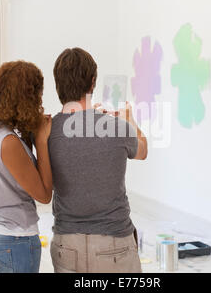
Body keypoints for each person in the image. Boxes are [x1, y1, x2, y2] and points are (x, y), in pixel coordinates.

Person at [48, 48, 148, 273]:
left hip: (66, 243)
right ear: (93, 82)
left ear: (57, 84)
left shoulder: (47, 132)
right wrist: (130, 121)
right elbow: (142, 151)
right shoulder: (118, 128)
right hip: (114, 244)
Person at [0, 61, 53, 273]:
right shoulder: (8, 142)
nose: (39, 102)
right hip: (14, 240)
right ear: (26, 98)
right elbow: (44, 195)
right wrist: (42, 142)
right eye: (37, 96)